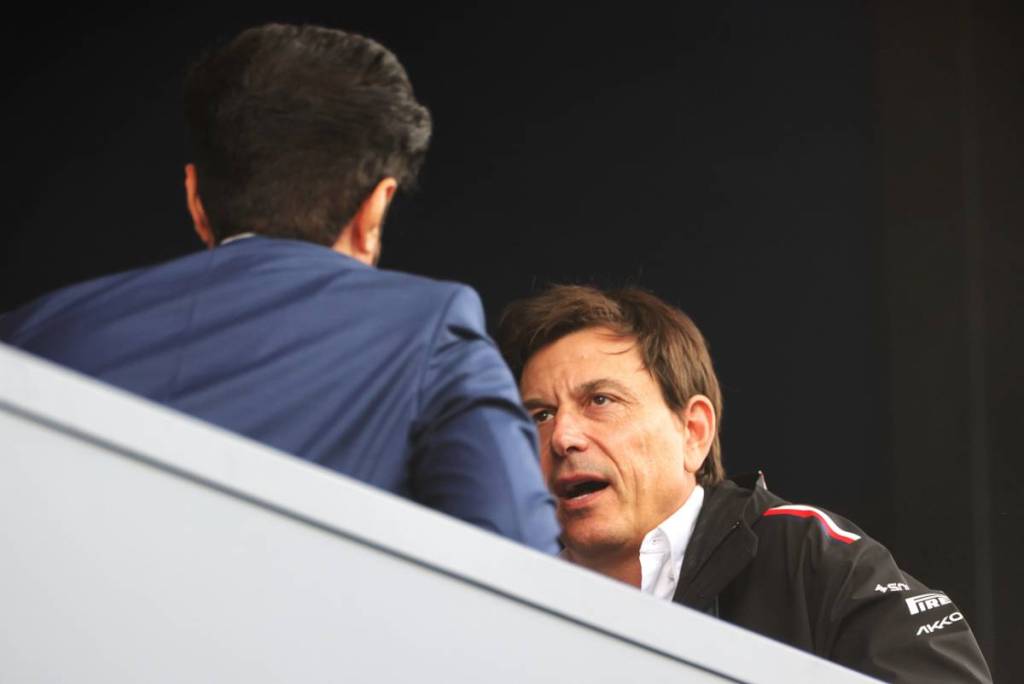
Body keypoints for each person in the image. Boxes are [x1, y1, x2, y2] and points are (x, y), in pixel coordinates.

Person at [0, 24, 559, 553]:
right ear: (375, 208)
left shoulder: (31, 335)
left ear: (195, 199)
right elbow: (519, 566)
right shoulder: (430, 329)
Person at [497, 284, 991, 681]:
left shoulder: (806, 555)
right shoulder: (503, 593)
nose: (562, 436)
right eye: (540, 415)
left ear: (693, 432)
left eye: (601, 401)